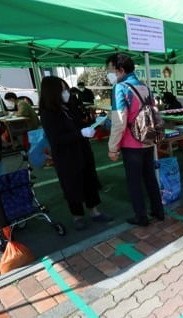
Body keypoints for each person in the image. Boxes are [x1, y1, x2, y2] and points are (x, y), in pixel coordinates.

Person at [39, 76, 112, 230]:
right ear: (52, 92)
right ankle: (77, 216)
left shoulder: (69, 107)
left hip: (82, 151)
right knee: (72, 185)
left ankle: (95, 211)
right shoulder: (48, 112)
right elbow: (56, 138)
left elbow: (80, 124)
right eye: (62, 90)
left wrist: (94, 124)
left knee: (89, 181)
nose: (66, 93)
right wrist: (81, 133)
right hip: (66, 156)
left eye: (66, 89)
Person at [105, 53, 164, 227]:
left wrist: (112, 148)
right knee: (150, 178)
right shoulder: (144, 86)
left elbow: (119, 121)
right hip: (148, 139)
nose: (113, 74)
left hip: (131, 144)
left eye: (113, 71)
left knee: (134, 183)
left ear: (121, 69)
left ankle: (141, 217)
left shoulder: (121, 88)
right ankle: (158, 211)